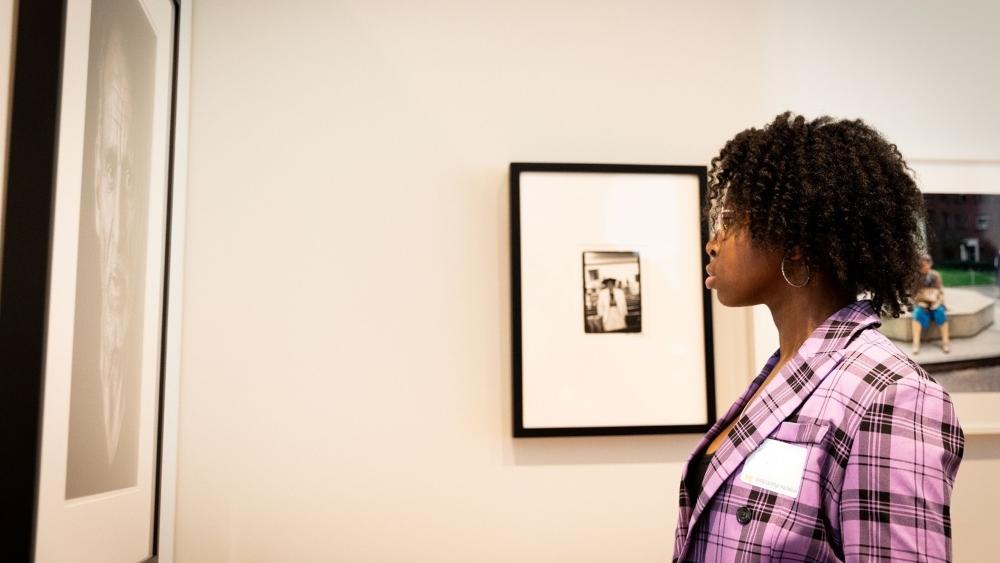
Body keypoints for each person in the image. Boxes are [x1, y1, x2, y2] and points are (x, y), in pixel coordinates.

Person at [674, 113, 964, 562]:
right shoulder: (785, 374)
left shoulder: (891, 395)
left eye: (731, 219)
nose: (713, 242)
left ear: (797, 241)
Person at [912, 255, 950, 354]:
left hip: (935, 303)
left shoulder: (935, 275)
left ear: (930, 264)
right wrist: (920, 303)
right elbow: (913, 294)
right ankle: (916, 343)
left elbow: (940, 292)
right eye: (922, 265)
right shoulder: (916, 276)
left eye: (926, 265)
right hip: (922, 303)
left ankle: (945, 342)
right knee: (917, 314)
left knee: (940, 312)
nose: (925, 267)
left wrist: (937, 303)